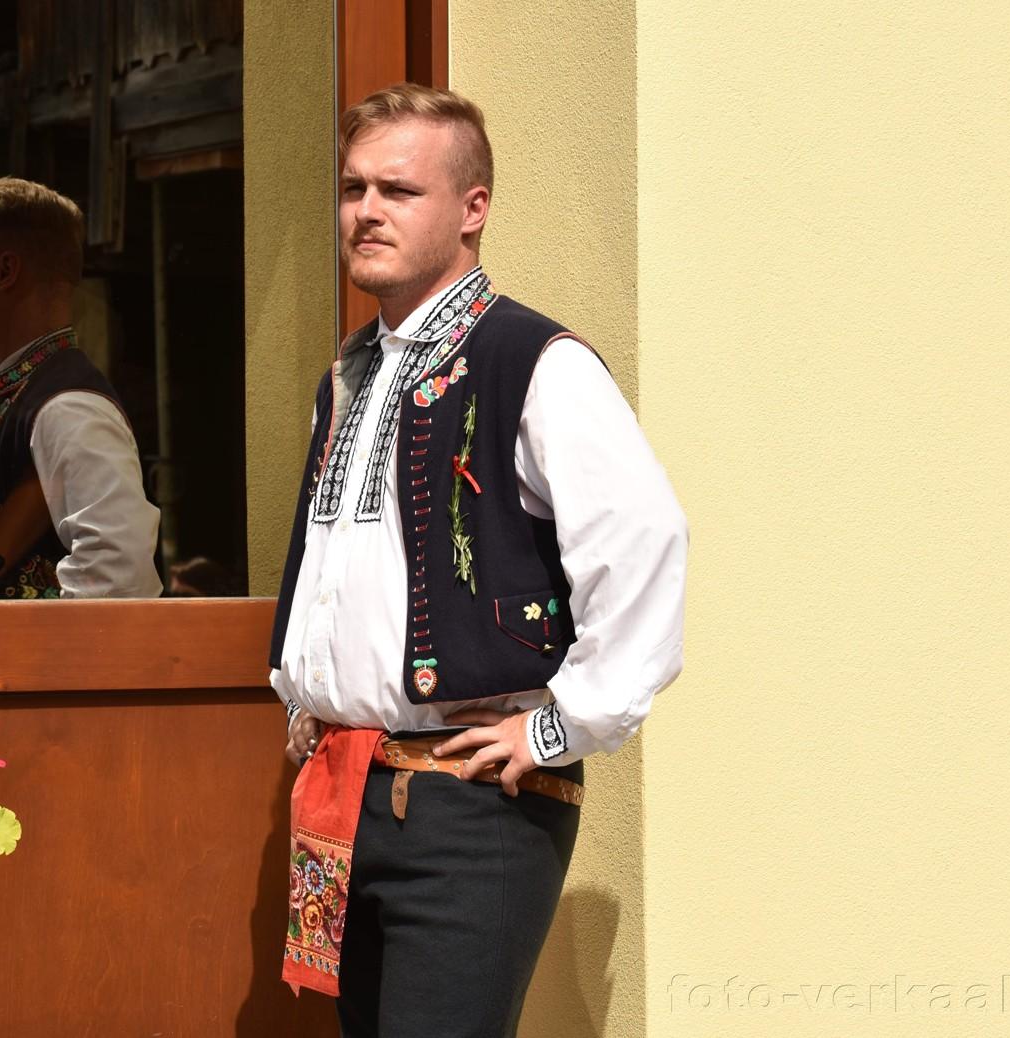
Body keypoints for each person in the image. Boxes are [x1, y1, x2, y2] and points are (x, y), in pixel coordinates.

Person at [268, 84, 688, 1036]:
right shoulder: (350, 371)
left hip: (469, 807)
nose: (367, 211)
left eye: (399, 191)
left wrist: (559, 727)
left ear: (473, 209)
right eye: (354, 188)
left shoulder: (534, 361)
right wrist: (304, 693)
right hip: (344, 791)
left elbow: (645, 541)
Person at [0, 177, 161, 600]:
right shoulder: (24, 401)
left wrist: (15, 648)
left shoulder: (68, 408)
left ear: (5, 271)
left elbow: (119, 578)